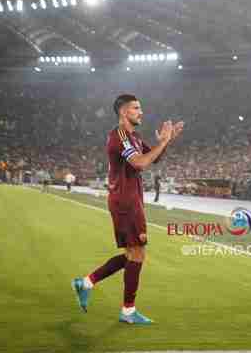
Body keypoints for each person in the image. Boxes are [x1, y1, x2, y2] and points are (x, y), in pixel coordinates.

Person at [72, 94, 183, 325]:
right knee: (137, 253)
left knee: (132, 255)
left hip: (131, 200)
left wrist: (167, 141)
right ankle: (128, 310)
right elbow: (140, 163)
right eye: (136, 108)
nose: (141, 112)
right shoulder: (119, 135)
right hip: (125, 201)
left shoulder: (134, 136)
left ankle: (87, 283)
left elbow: (154, 158)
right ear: (123, 112)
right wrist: (163, 142)